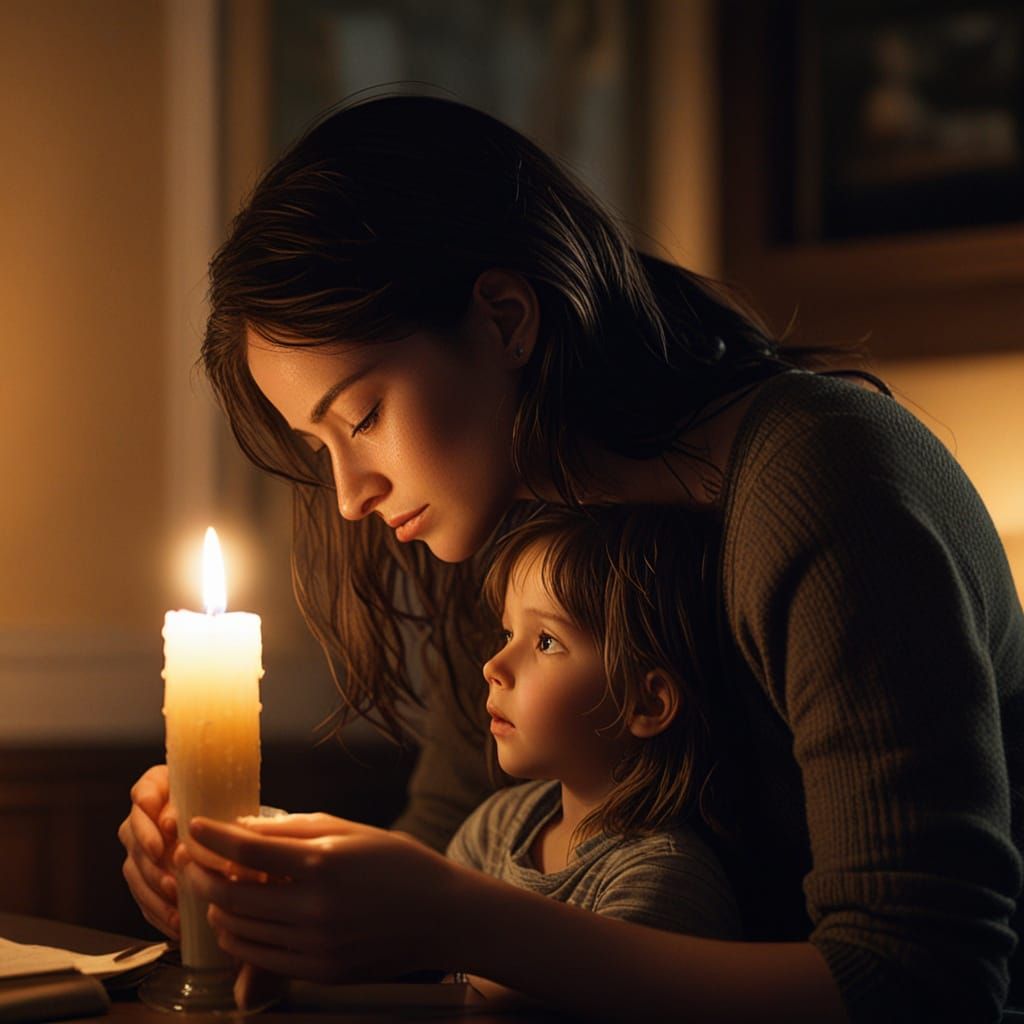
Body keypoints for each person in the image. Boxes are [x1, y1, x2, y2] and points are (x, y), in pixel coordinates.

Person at [118, 94, 1024, 1023]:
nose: (352, 494)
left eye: (363, 416)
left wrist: (456, 920)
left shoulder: (830, 481)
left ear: (506, 318)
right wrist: (263, 899)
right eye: (322, 448)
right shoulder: (515, 530)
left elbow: (925, 984)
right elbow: (458, 854)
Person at [446, 504, 741, 995]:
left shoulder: (661, 879)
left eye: (544, 641)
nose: (493, 665)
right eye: (507, 633)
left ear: (646, 702)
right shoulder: (497, 830)